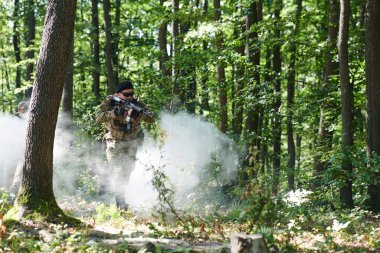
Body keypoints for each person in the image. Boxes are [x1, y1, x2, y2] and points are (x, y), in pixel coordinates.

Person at [96, 80, 154, 209]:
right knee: (114, 168)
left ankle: (120, 199)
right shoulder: (110, 103)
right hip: (114, 140)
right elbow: (97, 118)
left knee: (127, 171)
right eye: (126, 94)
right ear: (118, 94)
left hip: (132, 141)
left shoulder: (137, 104)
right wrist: (114, 114)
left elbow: (152, 118)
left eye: (132, 94)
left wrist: (140, 114)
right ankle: (107, 195)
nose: (130, 97)